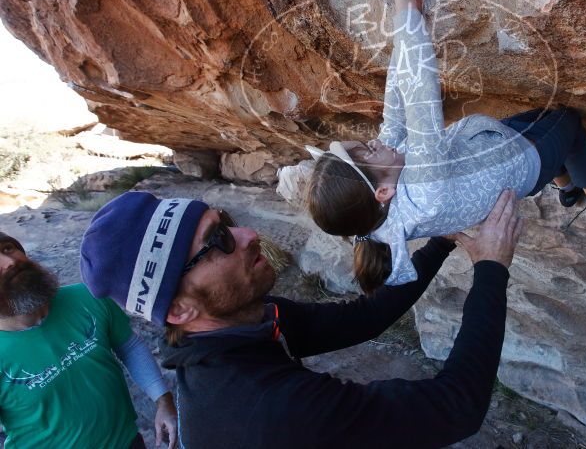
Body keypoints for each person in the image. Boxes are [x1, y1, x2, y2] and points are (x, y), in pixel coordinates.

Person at [79, 187, 522, 448]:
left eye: (226, 221)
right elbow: (457, 406)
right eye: (218, 240)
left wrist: (441, 243)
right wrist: (490, 268)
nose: (248, 234)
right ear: (179, 309)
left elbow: (365, 319)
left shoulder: (243, 323)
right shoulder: (269, 408)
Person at [306, 0, 586, 293]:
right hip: (520, 161)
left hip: (494, 148)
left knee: (549, 128)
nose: (373, 141)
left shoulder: (378, 206)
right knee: (568, 124)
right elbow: (419, 95)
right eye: (366, 151)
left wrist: (408, 18)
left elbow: (396, 109)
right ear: (384, 192)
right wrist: (404, 9)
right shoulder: (424, 190)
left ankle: (567, 190)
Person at [0, 232, 177, 449]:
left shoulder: (87, 297)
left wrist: (163, 400)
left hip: (127, 442)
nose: (10, 262)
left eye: (8, 248)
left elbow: (129, 346)